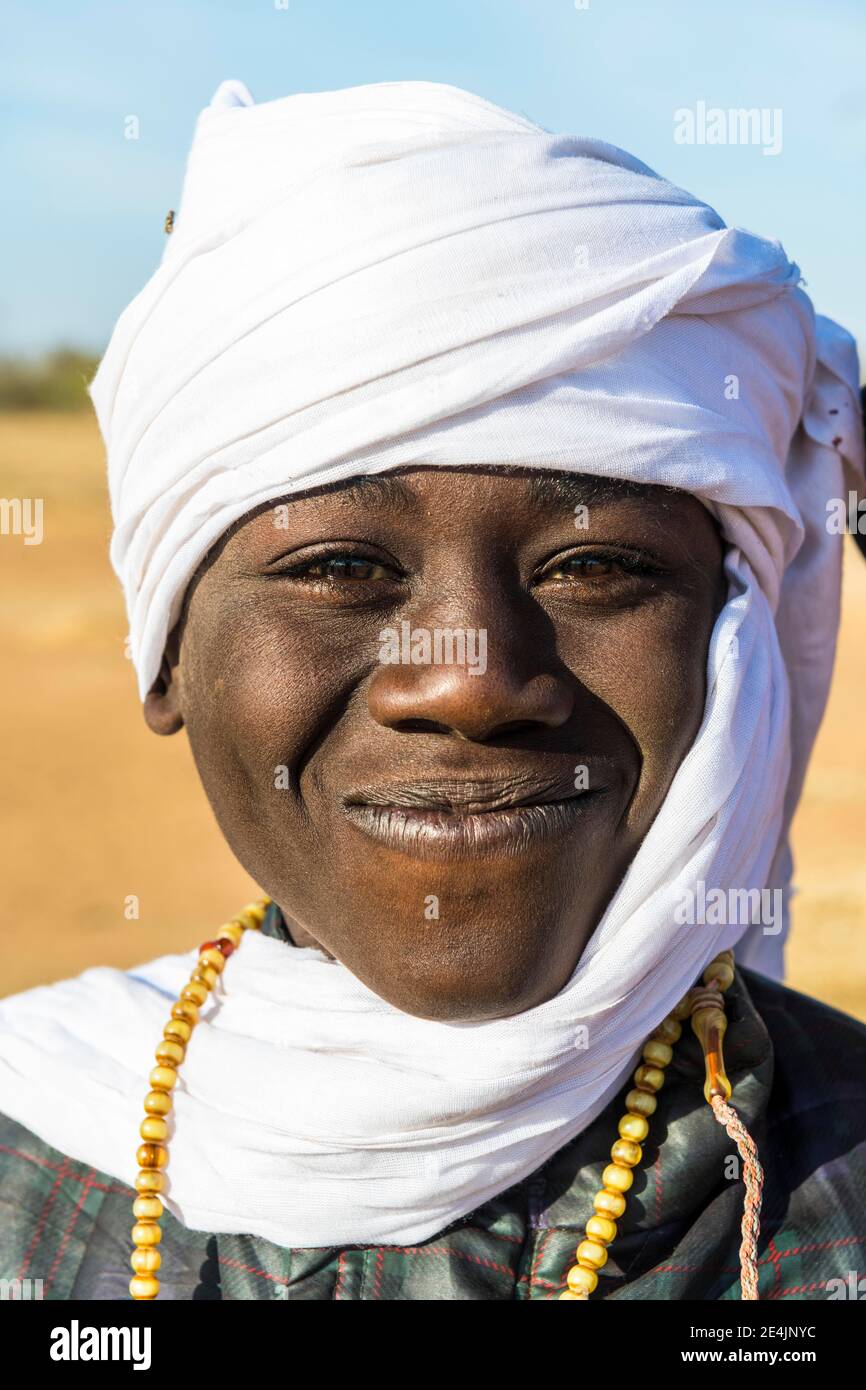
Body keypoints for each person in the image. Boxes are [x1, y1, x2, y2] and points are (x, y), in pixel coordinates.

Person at [1, 79, 865, 1302]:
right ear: (169, 655)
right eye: (339, 568)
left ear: (734, 637)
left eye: (596, 566)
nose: (467, 684)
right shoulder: (31, 1142)